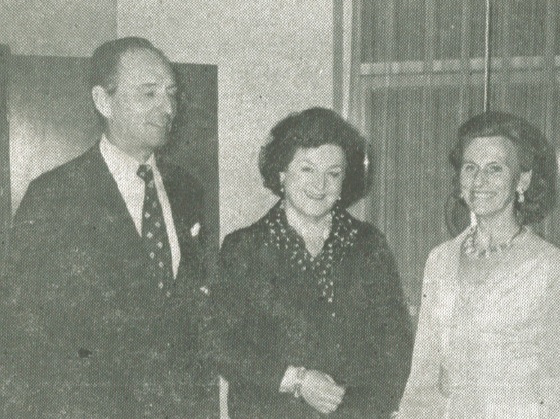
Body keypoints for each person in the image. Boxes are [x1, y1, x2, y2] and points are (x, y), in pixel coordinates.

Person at [0, 37, 217, 417]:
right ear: (103, 101)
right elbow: (24, 330)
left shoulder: (186, 189)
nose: (167, 108)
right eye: (148, 93)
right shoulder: (54, 196)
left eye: (171, 94)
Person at [200, 107, 413, 417]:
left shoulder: (369, 245)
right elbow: (218, 342)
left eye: (333, 173)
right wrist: (296, 379)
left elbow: (396, 347)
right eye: (308, 169)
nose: (320, 184)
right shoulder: (244, 248)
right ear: (282, 173)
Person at [397, 111, 560, 418]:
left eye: (495, 169)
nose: (479, 181)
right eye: (470, 167)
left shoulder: (552, 266)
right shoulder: (440, 260)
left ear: (522, 180)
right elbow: (424, 373)